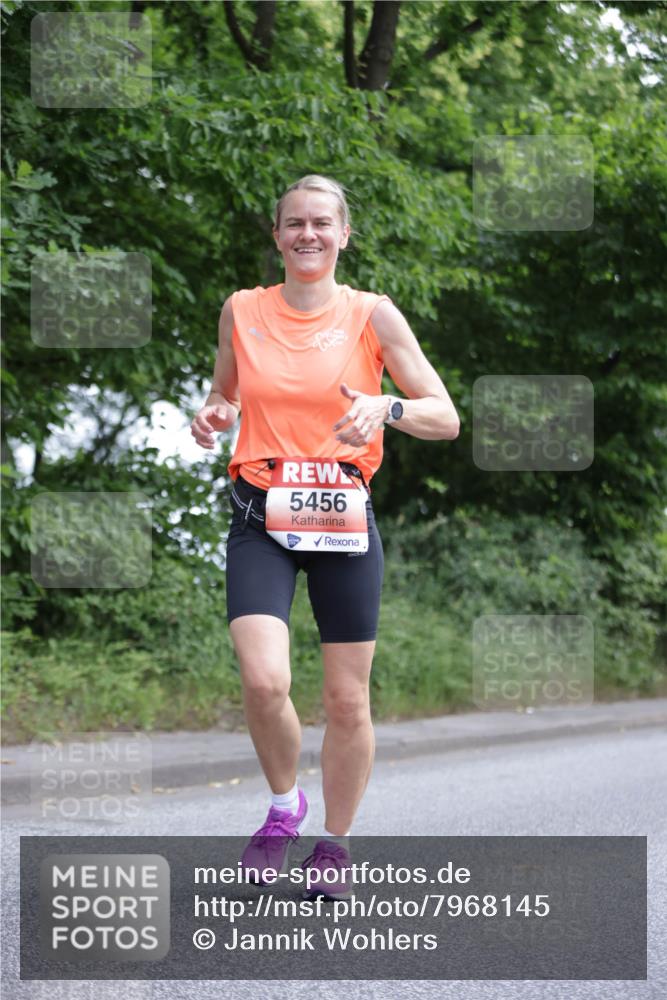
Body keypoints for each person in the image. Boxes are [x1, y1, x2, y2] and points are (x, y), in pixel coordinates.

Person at [191, 174, 460, 897]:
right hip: (259, 513)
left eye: (321, 223)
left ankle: (334, 845)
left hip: (342, 516)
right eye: (293, 224)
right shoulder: (242, 309)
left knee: (346, 700)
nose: (307, 235)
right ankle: (284, 808)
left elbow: (444, 415)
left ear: (344, 234)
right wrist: (213, 413)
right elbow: (225, 392)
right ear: (275, 235)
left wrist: (386, 408)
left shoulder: (372, 314)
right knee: (262, 677)